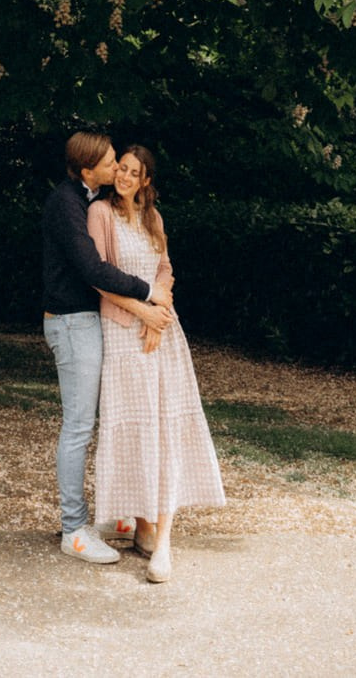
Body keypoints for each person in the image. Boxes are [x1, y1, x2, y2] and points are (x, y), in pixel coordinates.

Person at [87, 145, 225, 583]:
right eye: (121, 169)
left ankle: (163, 540)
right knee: (135, 428)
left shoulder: (153, 218)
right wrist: (144, 310)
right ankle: (140, 523)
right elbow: (99, 277)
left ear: (146, 180)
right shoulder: (101, 214)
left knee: (167, 428)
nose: (124, 176)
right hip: (123, 331)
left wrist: (158, 318)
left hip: (162, 333)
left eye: (133, 172)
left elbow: (165, 269)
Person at [42, 129, 174, 564]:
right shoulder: (67, 203)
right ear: (88, 170)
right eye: (110, 161)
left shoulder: (89, 201)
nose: (117, 166)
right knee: (78, 425)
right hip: (71, 321)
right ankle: (73, 529)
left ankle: (103, 516)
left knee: (97, 419)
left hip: (89, 320)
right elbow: (92, 268)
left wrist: (156, 298)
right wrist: (146, 295)